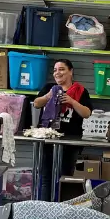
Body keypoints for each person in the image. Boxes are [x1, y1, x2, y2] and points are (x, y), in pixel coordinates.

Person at [31, 59, 93, 196]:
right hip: (47, 140)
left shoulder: (81, 91)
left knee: (64, 178)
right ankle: (45, 212)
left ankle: (60, 213)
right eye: (55, 70)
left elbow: (86, 113)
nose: (57, 73)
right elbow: (36, 104)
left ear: (71, 71)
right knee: (46, 178)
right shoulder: (49, 88)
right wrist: (48, 97)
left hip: (70, 143)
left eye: (62, 69)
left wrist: (72, 101)